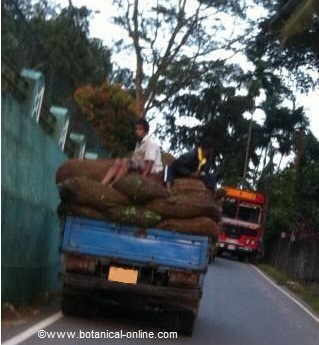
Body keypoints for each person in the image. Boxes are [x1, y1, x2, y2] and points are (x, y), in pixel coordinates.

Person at [101, 119, 163, 185]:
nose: (137, 131)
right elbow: (135, 159)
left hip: (153, 171)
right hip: (140, 165)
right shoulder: (138, 144)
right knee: (119, 161)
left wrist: (142, 178)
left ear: (146, 132)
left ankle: (113, 184)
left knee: (126, 163)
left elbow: (150, 163)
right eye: (136, 129)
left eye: (140, 129)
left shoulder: (150, 143)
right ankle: (103, 183)